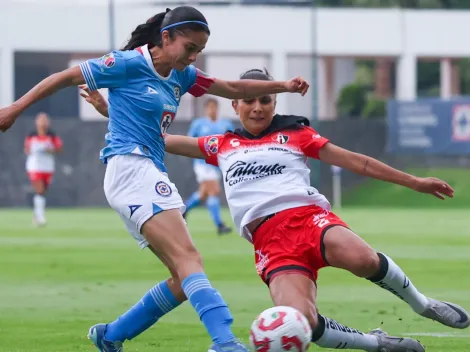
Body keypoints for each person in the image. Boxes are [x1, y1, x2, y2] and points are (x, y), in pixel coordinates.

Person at [81, 68, 470, 351]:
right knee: (301, 322)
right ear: (235, 104)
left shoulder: (297, 134)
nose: (257, 108)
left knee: (363, 258)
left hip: (309, 220)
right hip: (271, 243)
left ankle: (424, 304)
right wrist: (110, 112)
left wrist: (416, 181)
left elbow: (358, 162)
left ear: (274, 102)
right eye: (249, 100)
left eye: (265, 100)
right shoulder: (220, 145)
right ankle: (377, 344)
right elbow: (157, 138)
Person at [0, 7, 309, 352]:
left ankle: (110, 336)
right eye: (189, 47)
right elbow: (65, 77)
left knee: (182, 278)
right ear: (166, 37)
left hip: (146, 171)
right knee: (190, 259)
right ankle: (224, 343)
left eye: (199, 51)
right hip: (130, 169)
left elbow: (232, 87)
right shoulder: (127, 64)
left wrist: (283, 85)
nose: (193, 57)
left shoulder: (182, 74)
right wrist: (14, 108)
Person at [184, 98, 234, 234]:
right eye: (210, 107)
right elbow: (189, 141)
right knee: (214, 191)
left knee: (202, 195)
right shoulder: (199, 124)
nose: (212, 110)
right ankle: (220, 225)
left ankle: (182, 210)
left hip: (217, 164)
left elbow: (232, 142)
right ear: (206, 109)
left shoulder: (225, 124)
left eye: (214, 107)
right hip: (202, 163)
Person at [24, 112, 63, 226]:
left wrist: (49, 150)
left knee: (43, 191)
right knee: (39, 190)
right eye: (41, 120)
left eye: (45, 120)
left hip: (48, 167)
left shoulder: (52, 136)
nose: (43, 123)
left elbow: (59, 149)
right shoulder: (32, 135)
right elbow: (27, 149)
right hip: (35, 166)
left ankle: (36, 214)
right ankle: (40, 217)